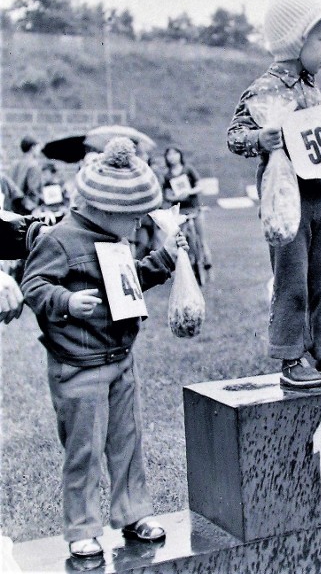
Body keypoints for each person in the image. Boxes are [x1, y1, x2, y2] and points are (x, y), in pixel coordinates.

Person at [20, 137, 187, 560]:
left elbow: (127, 283)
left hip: (121, 361)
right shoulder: (59, 239)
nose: (137, 225)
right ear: (105, 209)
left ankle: (133, 514)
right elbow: (34, 286)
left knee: (127, 443)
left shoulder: (115, 238)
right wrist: (66, 302)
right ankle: (82, 528)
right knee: (85, 451)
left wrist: (164, 259)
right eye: (132, 217)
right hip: (78, 368)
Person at [227, 0, 321, 389]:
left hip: (319, 196)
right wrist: (259, 140)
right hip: (285, 201)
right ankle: (290, 353)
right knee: (292, 277)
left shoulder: (312, 87)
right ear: (294, 41)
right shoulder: (263, 89)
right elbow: (234, 137)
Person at [162, 146, 212, 269]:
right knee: (182, 237)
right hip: (180, 211)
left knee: (201, 235)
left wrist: (189, 192)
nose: (172, 157)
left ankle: (206, 258)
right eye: (169, 154)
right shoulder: (167, 175)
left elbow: (199, 186)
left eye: (175, 153)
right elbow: (167, 194)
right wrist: (176, 197)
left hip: (195, 208)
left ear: (180, 155)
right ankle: (187, 262)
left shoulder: (188, 169)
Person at [9, 135, 43, 214]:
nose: (40, 149)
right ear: (32, 148)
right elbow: (33, 191)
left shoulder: (14, 164)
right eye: (38, 147)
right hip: (27, 210)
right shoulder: (34, 165)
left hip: (13, 208)